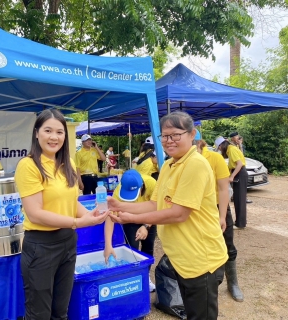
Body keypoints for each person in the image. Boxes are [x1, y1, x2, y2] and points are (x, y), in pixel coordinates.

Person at [109, 111, 227, 320]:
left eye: (175, 135)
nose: (168, 141)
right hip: (183, 259)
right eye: (164, 136)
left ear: (192, 134)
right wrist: (121, 206)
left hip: (201, 259)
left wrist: (132, 219)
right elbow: (154, 204)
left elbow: (179, 214)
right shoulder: (169, 165)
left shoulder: (195, 164)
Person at [14, 109, 108, 320]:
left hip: (67, 241)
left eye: (59, 132)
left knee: (60, 312)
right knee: (39, 314)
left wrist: (91, 215)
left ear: (66, 136)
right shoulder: (28, 165)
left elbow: (71, 202)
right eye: (48, 130)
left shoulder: (69, 163)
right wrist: (78, 222)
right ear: (37, 133)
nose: (54, 137)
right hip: (41, 246)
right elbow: (36, 213)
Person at [196, 139, 244, 302]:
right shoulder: (181, 160)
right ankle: (207, 285)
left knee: (227, 242)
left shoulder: (215, 159)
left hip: (217, 207)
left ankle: (233, 284)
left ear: (199, 144)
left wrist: (222, 216)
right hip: (196, 209)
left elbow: (224, 189)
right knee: (202, 246)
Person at [104, 169, 157, 292]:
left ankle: (146, 276)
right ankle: (133, 278)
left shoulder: (152, 184)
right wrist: (108, 245)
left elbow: (158, 208)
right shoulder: (118, 191)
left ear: (141, 186)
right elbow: (110, 217)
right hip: (129, 219)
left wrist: (146, 226)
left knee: (148, 248)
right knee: (132, 248)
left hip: (149, 217)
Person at [214, 136, 248, 229]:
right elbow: (231, 165)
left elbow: (239, 164)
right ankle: (239, 222)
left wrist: (232, 177)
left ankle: (240, 224)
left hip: (240, 173)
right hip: (238, 173)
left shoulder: (231, 149)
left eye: (219, 147)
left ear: (222, 145)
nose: (220, 149)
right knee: (237, 198)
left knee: (240, 199)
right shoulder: (230, 149)